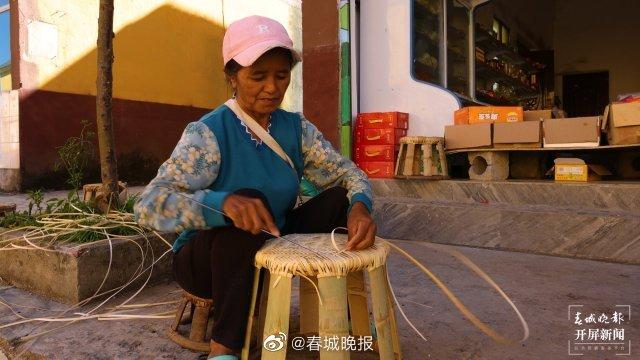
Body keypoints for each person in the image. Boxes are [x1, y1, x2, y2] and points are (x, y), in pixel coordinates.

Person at [134, 15, 376, 360]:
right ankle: (224, 350)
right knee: (248, 207)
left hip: (270, 236)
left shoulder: (295, 129)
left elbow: (346, 174)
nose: (273, 88)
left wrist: (360, 205)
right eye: (258, 76)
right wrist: (223, 204)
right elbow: (149, 204)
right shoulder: (208, 132)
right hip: (207, 260)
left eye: (281, 75)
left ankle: (351, 316)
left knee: (339, 200)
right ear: (232, 77)